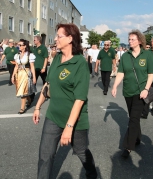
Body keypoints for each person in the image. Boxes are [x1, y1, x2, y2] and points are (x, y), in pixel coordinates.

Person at [32, 23, 97, 178]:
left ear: (70, 39)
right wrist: (38, 106)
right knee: (45, 155)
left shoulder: (80, 63)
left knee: (81, 151)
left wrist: (69, 128)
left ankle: (91, 172)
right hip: (53, 115)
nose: (55, 39)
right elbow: (48, 85)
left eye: (59, 36)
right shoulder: (57, 58)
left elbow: (80, 99)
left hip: (75, 119)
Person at [111, 29, 153, 158]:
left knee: (134, 118)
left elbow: (151, 74)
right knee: (133, 117)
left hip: (141, 92)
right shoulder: (125, 56)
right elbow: (121, 73)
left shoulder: (147, 55)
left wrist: (146, 89)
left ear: (140, 41)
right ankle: (137, 137)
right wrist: (115, 86)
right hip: (128, 91)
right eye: (129, 39)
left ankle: (128, 147)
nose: (130, 41)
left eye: (132, 39)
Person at [11, 40, 36, 114]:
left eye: (20, 45)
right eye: (18, 45)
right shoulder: (17, 55)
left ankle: (22, 108)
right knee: (21, 90)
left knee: (22, 91)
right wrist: (13, 76)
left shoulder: (29, 55)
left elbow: (32, 66)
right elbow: (16, 66)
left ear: (25, 46)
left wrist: (34, 77)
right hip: (19, 74)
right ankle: (29, 100)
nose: (19, 46)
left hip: (26, 73)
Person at [30, 35, 48, 102]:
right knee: (33, 82)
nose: (33, 41)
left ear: (38, 40)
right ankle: (32, 96)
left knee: (45, 82)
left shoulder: (43, 48)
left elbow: (46, 58)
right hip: (35, 68)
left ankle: (45, 94)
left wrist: (44, 67)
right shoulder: (34, 48)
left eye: (34, 40)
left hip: (42, 68)